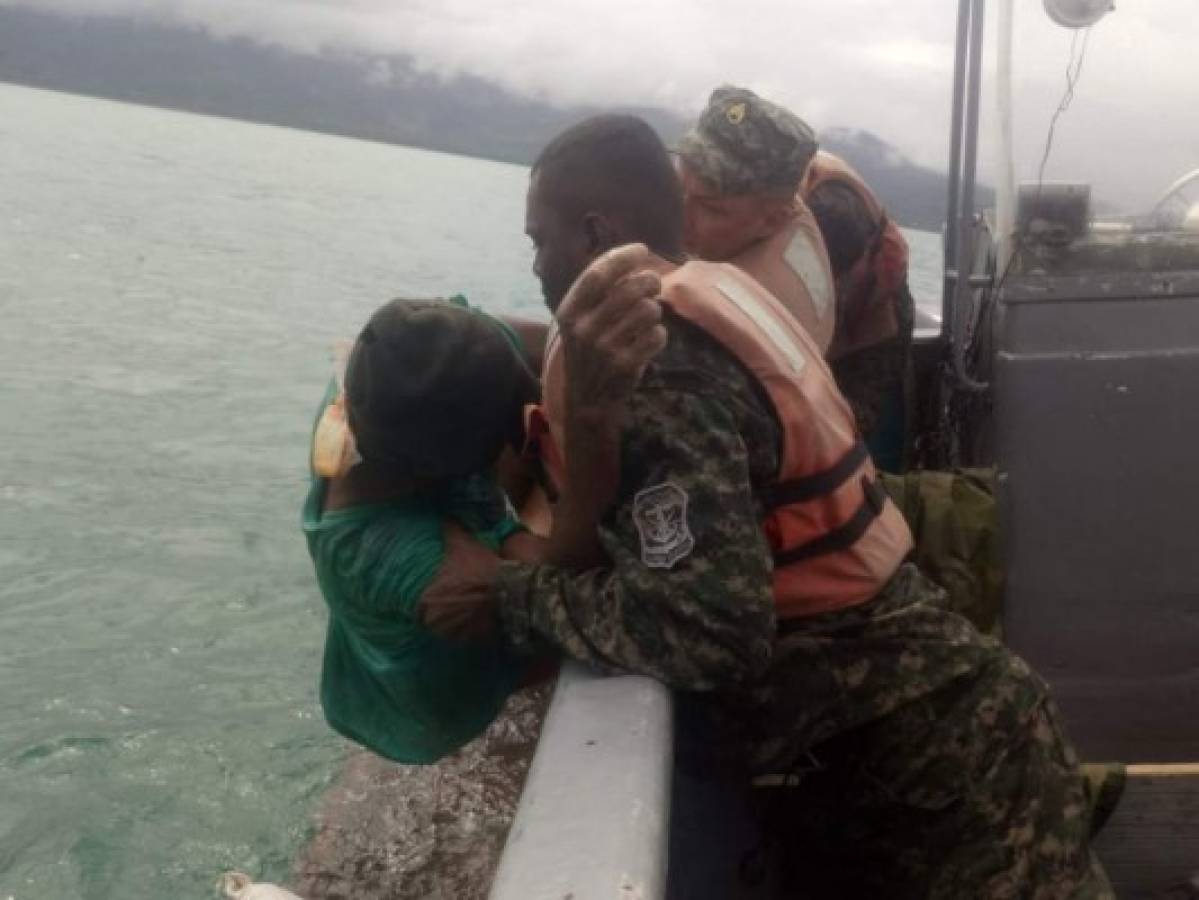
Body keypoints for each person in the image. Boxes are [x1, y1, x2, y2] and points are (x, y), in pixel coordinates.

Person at [417, 113, 1111, 898]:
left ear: (592, 233)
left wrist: (508, 595)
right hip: (957, 730)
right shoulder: (715, 288)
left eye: (538, 240)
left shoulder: (664, 373)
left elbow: (708, 629)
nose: (538, 261)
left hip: (949, 786)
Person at [301, 258, 665, 765]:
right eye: (517, 428)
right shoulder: (393, 553)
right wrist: (587, 427)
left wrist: (580, 355)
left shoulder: (396, 362)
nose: (533, 419)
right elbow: (561, 588)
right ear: (461, 466)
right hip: (432, 710)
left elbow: (514, 343)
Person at [678, 86, 915, 469]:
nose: (681, 218)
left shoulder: (833, 223)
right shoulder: (722, 201)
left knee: (844, 452)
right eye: (681, 186)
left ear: (773, 218)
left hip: (860, 335)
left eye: (711, 208)